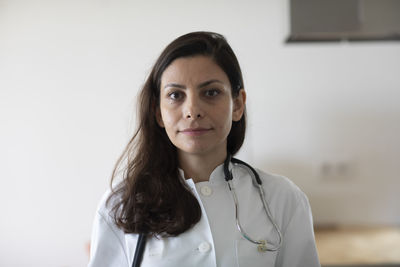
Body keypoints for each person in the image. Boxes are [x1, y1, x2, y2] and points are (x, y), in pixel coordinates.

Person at [88, 31, 320, 267]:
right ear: (158, 112)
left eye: (211, 93)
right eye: (175, 95)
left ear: (237, 104)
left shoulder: (282, 199)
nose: (192, 110)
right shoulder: (121, 205)